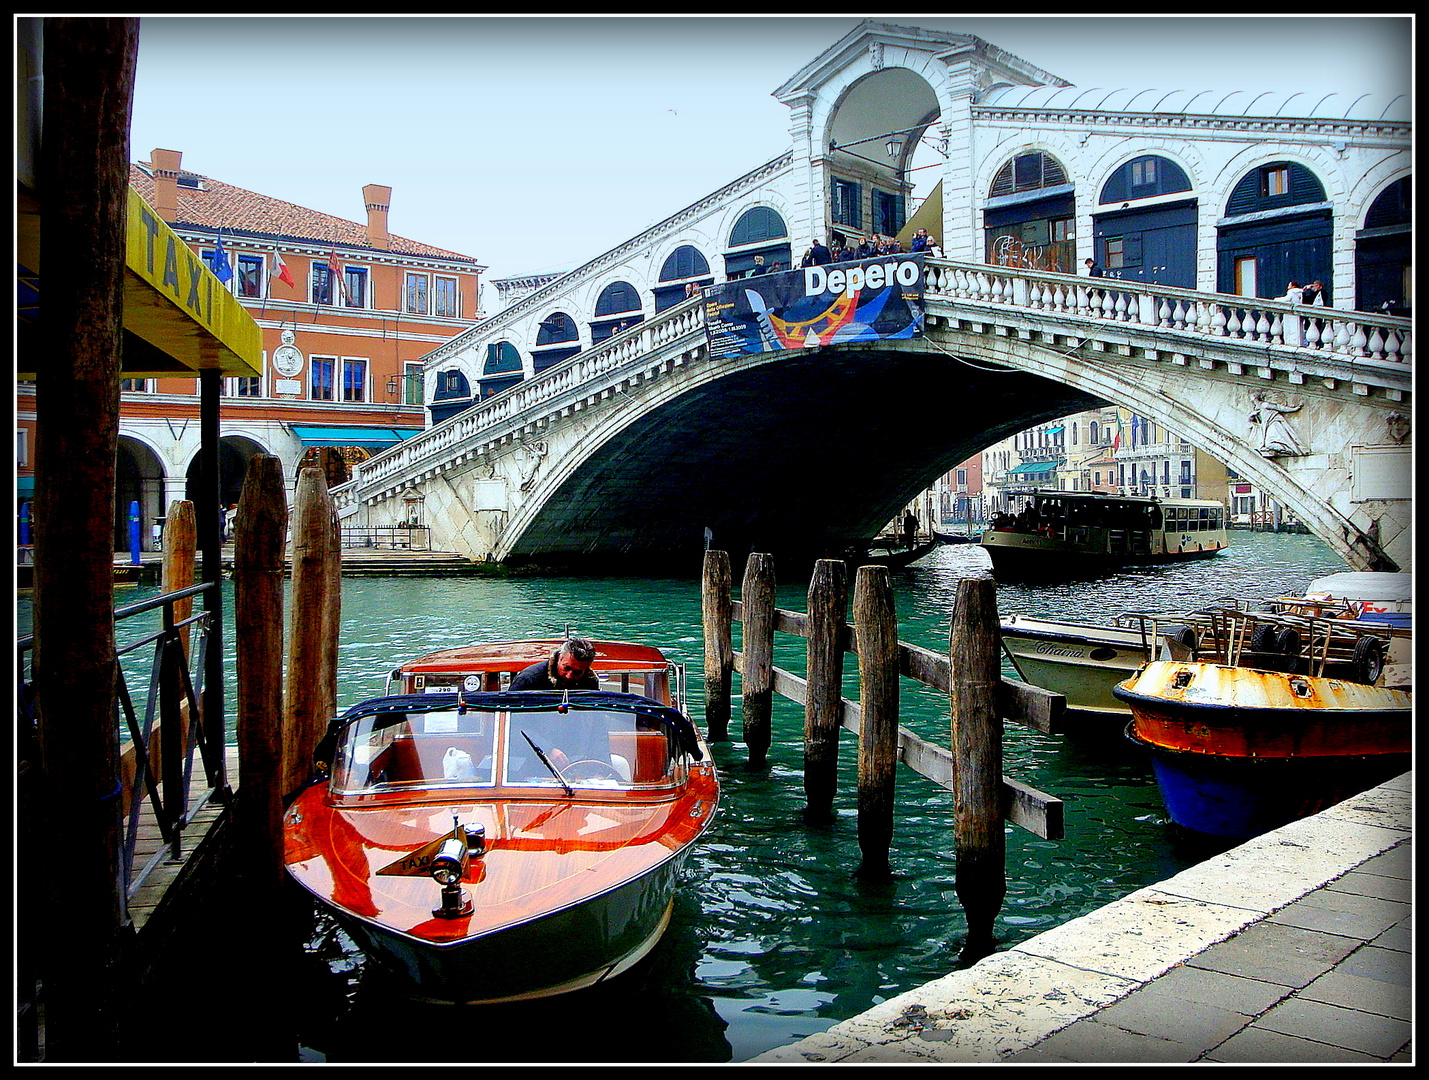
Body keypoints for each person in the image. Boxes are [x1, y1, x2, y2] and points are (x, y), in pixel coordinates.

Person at [509, 637, 600, 691]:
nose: (569, 676)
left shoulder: (591, 682)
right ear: (559, 657)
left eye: (577, 672)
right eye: (566, 668)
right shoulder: (528, 679)